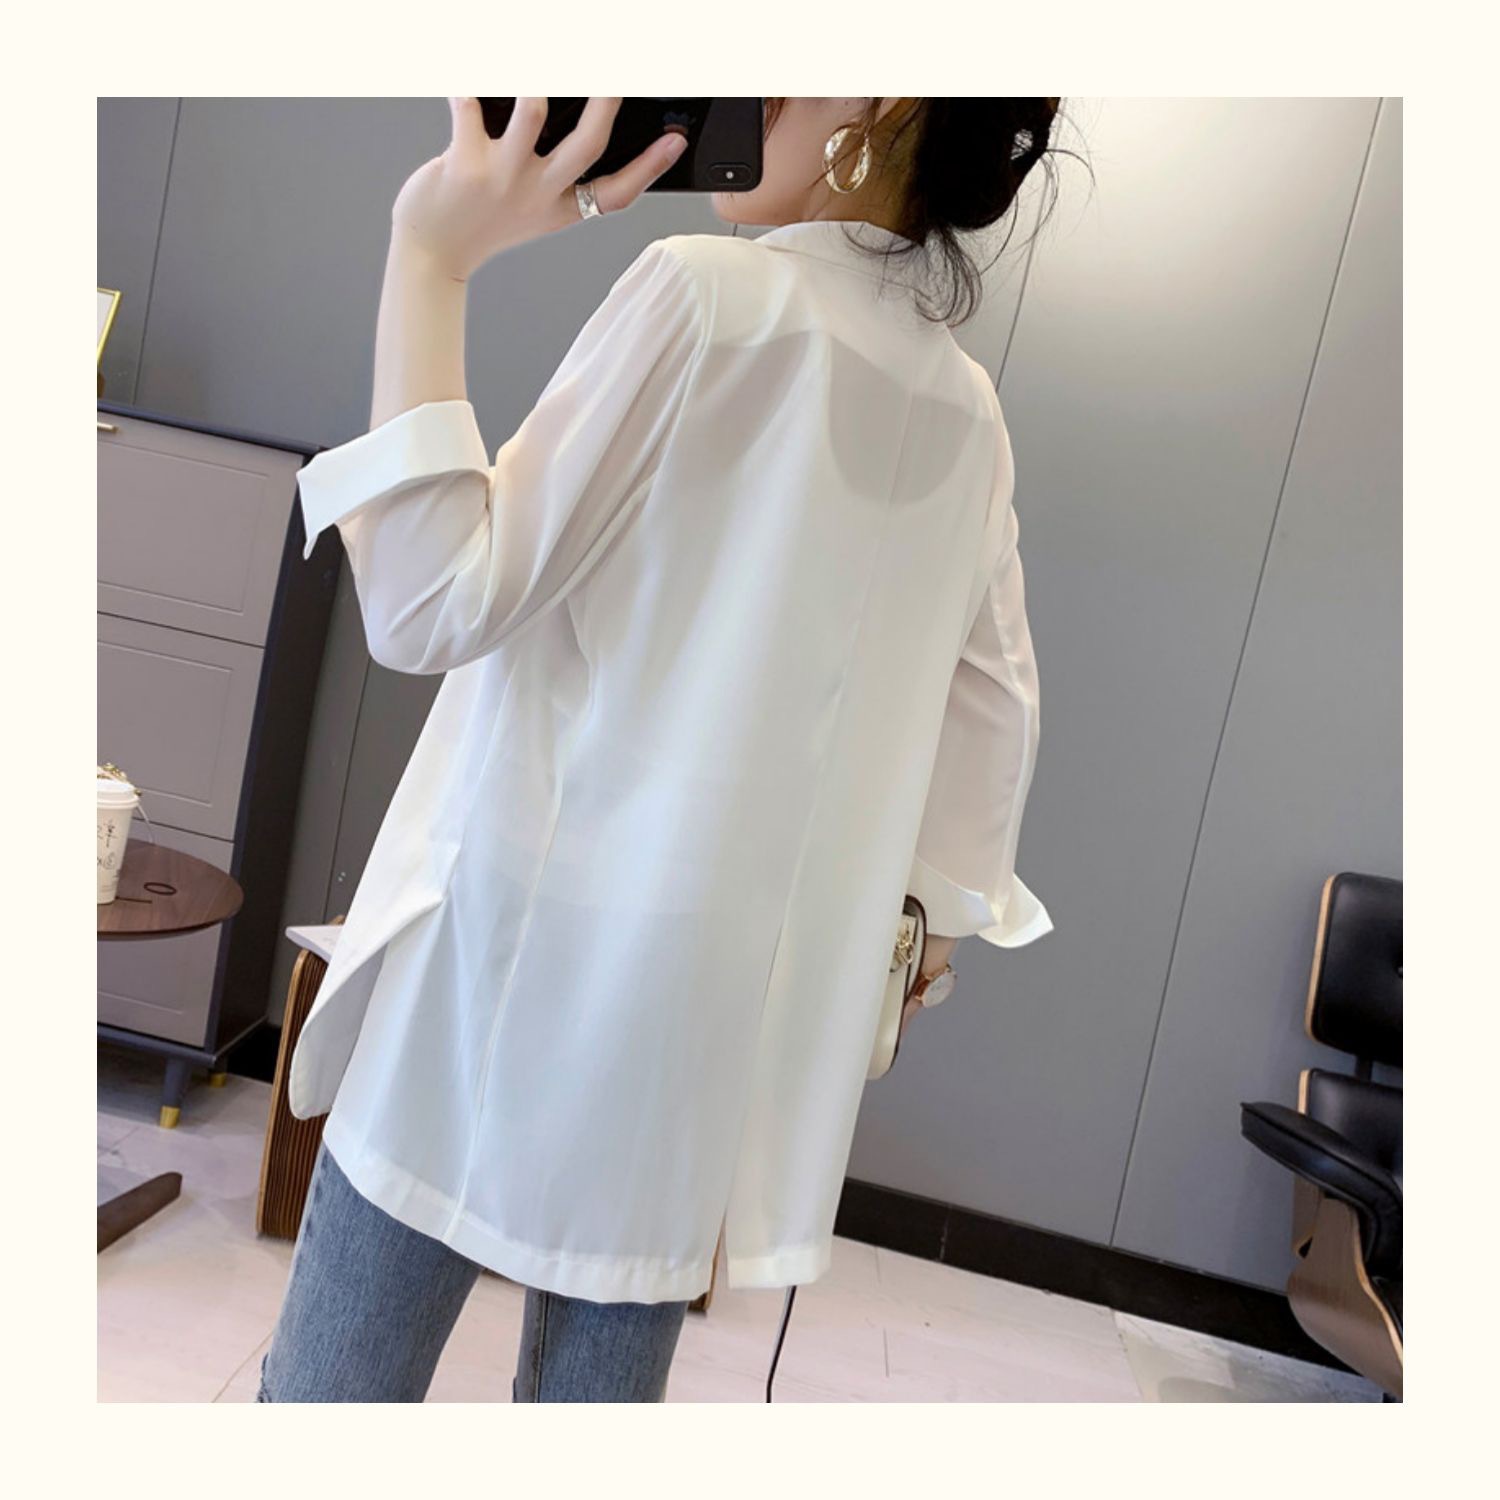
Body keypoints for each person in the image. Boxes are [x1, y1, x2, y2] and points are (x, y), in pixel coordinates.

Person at [259, 96, 1061, 1404]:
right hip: (697, 1010)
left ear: (884, 94)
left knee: (329, 1403)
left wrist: (430, 256)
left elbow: (429, 601)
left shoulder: (704, 295)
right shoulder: (967, 408)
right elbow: (997, 707)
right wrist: (929, 923)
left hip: (500, 958)